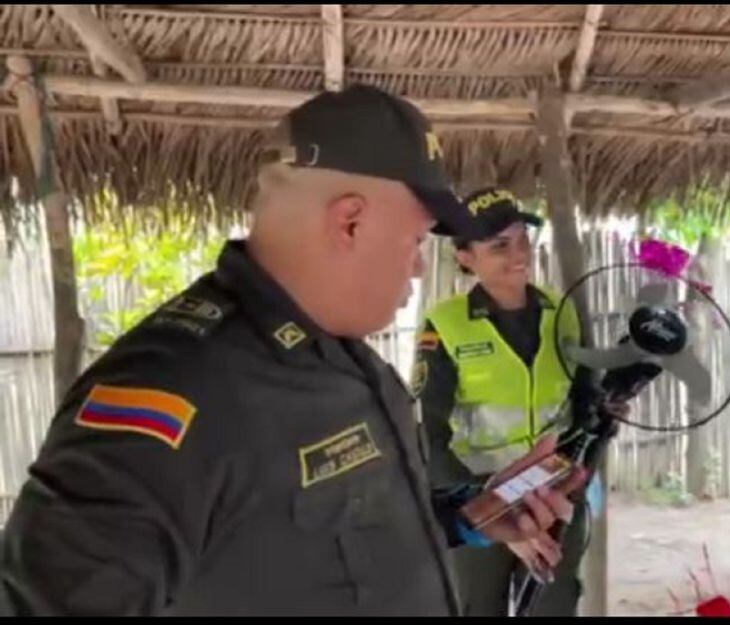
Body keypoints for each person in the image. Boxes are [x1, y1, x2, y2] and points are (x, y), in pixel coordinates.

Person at [0, 85, 586, 616]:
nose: (416, 264)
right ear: (350, 223)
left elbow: (334, 540)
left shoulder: (351, 362)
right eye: (414, 240)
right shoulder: (171, 394)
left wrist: (469, 516)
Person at [412, 187, 594, 615]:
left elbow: (584, 404)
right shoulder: (446, 324)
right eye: (499, 246)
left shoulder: (560, 311)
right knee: (477, 607)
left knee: (555, 606)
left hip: (554, 492)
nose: (519, 254)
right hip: (477, 496)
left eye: (522, 240)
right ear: (465, 258)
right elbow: (428, 434)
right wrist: (494, 517)